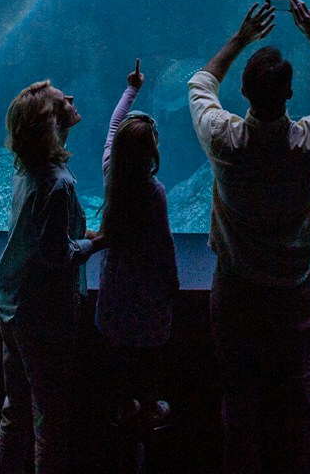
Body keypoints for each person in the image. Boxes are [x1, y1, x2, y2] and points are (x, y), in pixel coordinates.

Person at [188, 0, 310, 474]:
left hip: (236, 289)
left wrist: (241, 38)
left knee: (239, 401)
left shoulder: (223, 140)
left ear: (242, 91)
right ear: (289, 95)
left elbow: (201, 84)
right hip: (293, 292)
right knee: (297, 402)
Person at [0, 80, 104, 474]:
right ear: (49, 123)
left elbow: (38, 230)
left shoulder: (27, 168)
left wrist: (80, 232)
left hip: (12, 303)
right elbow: (56, 253)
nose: (71, 98)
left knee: (16, 407)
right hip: (44, 315)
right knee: (49, 418)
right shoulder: (58, 183)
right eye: (62, 101)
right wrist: (95, 244)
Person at [95, 58, 180, 431]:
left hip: (115, 286)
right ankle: (148, 406)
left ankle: (122, 406)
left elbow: (114, 125)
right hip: (146, 293)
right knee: (148, 355)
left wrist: (132, 88)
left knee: (119, 354)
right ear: (152, 154)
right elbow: (164, 245)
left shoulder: (111, 168)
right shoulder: (154, 193)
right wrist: (173, 282)